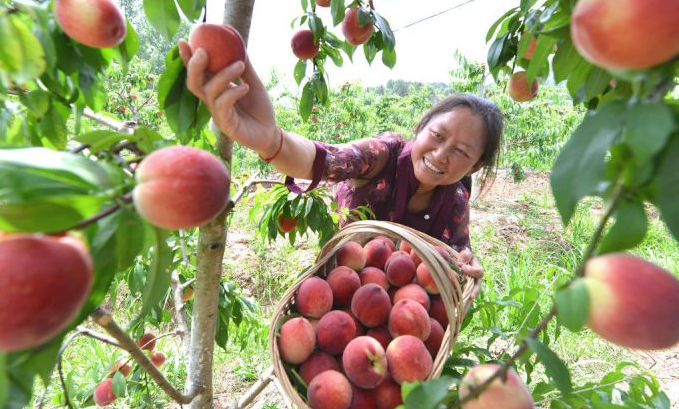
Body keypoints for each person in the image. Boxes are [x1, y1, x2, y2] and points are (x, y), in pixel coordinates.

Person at [179, 44, 504, 281]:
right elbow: (322, 159)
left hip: (408, 322)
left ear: (475, 166)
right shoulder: (382, 156)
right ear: (420, 129)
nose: (441, 154)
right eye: (437, 134)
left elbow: (458, 257)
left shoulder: (456, 203)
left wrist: (467, 269)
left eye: (462, 152)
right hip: (341, 295)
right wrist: (270, 140)